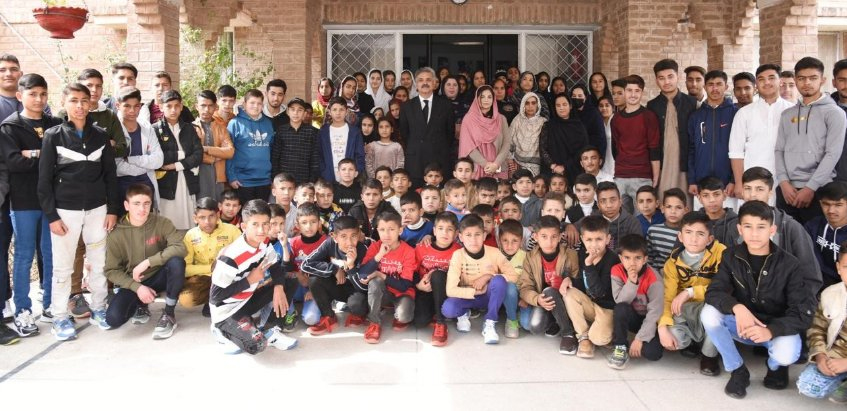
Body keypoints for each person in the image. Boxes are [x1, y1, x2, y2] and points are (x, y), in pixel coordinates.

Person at [701, 200, 817, 399]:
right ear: (740, 229)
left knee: (786, 354)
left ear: (772, 229)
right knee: (709, 314)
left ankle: (775, 366)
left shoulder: (790, 264)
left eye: (761, 227)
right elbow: (714, 291)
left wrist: (771, 330)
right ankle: (737, 370)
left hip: (776, 328)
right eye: (748, 226)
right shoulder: (730, 256)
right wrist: (737, 307)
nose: (754, 234)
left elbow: (802, 313)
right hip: (743, 323)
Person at [38, 83, 120, 341]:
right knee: (62, 267)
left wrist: (113, 210)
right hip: (65, 212)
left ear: (90, 103)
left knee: (99, 263)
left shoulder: (100, 135)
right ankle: (60, 316)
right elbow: (44, 181)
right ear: (64, 103)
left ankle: (99, 308)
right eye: (74, 100)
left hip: (98, 210)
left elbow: (110, 176)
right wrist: (52, 216)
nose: (80, 105)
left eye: (84, 100)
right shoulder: (53, 135)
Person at [0, 73, 61, 336]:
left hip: (52, 200)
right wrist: (45, 155)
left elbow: (62, 158)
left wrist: (33, 154)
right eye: (33, 94)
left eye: (43, 94)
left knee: (50, 253)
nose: (38, 99)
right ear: (20, 95)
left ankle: (49, 304)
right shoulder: (10, 127)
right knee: (24, 256)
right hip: (23, 200)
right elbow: (15, 163)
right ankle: (23, 310)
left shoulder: (55, 124)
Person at [209, 199, 298, 354]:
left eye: (265, 224)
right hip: (227, 311)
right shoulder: (231, 257)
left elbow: (275, 266)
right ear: (244, 227)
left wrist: (278, 287)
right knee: (257, 345)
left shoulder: (264, 243)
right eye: (255, 224)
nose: (261, 230)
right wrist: (249, 280)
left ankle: (270, 329)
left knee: (290, 280)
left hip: (247, 300)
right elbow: (215, 297)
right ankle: (221, 329)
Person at [104, 184, 186, 338]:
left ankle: (169, 313)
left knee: (176, 262)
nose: (142, 209)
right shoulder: (116, 234)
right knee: (113, 319)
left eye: (146, 203)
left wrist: (148, 262)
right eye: (136, 204)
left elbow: (180, 248)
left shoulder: (162, 223)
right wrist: (137, 287)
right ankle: (140, 304)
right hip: (134, 281)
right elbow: (111, 270)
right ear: (126, 205)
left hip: (160, 275)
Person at [776, 57, 847, 224]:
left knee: (813, 239)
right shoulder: (787, 114)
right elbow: (779, 150)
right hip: (787, 191)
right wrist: (784, 183)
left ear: (822, 80)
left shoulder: (835, 113)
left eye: (813, 78)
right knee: (786, 237)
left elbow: (833, 153)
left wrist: (810, 187)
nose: (807, 83)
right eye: (801, 78)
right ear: (795, 80)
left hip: (819, 189)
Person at [658, 212, 726, 375]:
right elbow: (668, 297)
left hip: (710, 303)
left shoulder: (720, 252)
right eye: (688, 233)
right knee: (674, 338)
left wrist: (690, 292)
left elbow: (724, 286)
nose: (693, 239)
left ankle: (709, 356)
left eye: (700, 234)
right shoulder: (673, 262)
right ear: (680, 237)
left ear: (709, 239)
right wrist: (662, 327)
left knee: (715, 315)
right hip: (685, 310)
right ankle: (693, 342)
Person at [443, 214, 518, 344]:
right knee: (448, 309)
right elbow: (450, 290)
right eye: (468, 235)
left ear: (484, 235)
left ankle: (489, 322)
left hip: (488, 296)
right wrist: (474, 291)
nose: (473, 240)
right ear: (461, 237)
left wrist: (489, 276)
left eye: (477, 234)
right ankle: (464, 313)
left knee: (499, 281)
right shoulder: (458, 255)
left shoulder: (494, 253)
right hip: (468, 296)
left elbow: (514, 276)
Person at [349, 211, 417, 344]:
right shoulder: (375, 247)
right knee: (375, 282)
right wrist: (379, 255)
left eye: (391, 229)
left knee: (404, 317)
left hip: (401, 294)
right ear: (377, 231)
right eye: (382, 230)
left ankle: (388, 308)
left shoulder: (408, 251)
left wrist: (380, 274)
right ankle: (374, 322)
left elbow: (404, 286)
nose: (386, 234)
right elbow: (362, 274)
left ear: (400, 230)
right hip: (382, 292)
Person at [728, 64, 794, 198]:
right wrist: (739, 183)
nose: (767, 82)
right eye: (761, 79)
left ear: (780, 81)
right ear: (756, 84)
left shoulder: (793, 110)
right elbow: (736, 152)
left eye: (771, 78)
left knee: (781, 211)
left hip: (786, 181)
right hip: (752, 181)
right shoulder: (744, 113)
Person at [562, 215, 620, 358]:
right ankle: (583, 337)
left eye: (599, 239)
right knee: (569, 293)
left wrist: (589, 265)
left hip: (607, 309)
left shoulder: (613, 260)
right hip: (591, 305)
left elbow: (599, 292)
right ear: (582, 239)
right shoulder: (582, 254)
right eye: (589, 240)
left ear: (608, 239)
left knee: (598, 339)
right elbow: (583, 283)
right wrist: (569, 279)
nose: (594, 245)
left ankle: (603, 333)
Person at [300, 215, 368, 335]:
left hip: (356, 291)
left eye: (353, 236)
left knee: (357, 305)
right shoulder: (329, 244)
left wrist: (351, 267)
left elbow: (365, 288)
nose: (349, 242)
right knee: (314, 280)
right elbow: (305, 264)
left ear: (358, 235)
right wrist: (334, 269)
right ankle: (329, 317)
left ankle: (358, 314)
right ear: (334, 237)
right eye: (343, 236)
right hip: (337, 287)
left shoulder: (363, 250)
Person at [518, 215, 579, 349]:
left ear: (560, 237)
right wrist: (537, 299)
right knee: (534, 327)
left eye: (554, 237)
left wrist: (565, 282)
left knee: (550, 291)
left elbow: (577, 284)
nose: (549, 242)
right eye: (544, 237)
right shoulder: (530, 257)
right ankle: (556, 321)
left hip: (565, 300)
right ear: (535, 237)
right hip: (544, 302)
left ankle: (568, 334)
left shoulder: (570, 255)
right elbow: (525, 286)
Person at [797, 243, 847, 401]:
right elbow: (816, 329)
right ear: (838, 268)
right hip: (835, 356)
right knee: (808, 386)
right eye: (846, 267)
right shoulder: (829, 294)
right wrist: (820, 356)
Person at [608, 234, 664, 369]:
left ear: (645, 259)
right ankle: (620, 346)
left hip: (650, 320)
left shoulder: (654, 278)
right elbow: (619, 301)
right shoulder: (616, 270)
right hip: (631, 315)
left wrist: (640, 339)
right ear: (621, 258)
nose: (632, 263)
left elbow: (655, 313)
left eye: (637, 258)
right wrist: (631, 283)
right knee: (621, 308)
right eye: (627, 258)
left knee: (653, 353)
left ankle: (637, 337)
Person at [647, 59, 697, 204]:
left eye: (670, 77)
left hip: (685, 165)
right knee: (663, 201)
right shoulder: (652, 106)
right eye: (661, 78)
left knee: (685, 203)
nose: (666, 82)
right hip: (662, 165)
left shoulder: (692, 103)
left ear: (678, 77)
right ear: (656, 80)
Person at [687, 70, 739, 209]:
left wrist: (734, 180)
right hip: (701, 184)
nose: (715, 88)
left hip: (727, 185)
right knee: (702, 219)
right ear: (705, 87)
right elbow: (691, 150)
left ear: (726, 86)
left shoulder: (736, 113)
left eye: (719, 84)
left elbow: (741, 150)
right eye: (710, 84)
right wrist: (692, 180)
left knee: (728, 219)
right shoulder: (696, 116)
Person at [181, 197, 241, 316]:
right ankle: (211, 300)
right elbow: (185, 269)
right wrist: (210, 268)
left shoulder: (232, 231)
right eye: (202, 217)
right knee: (186, 300)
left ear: (218, 215)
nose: (207, 222)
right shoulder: (190, 235)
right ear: (195, 218)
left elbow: (243, 256)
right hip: (205, 279)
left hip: (229, 277)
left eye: (211, 216)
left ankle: (224, 301)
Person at [153, 90, 203, 230]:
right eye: (169, 106)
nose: (173, 110)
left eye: (176, 106)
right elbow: (158, 157)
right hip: (166, 183)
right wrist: (182, 154)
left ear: (181, 107)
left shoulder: (189, 129)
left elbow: (198, 155)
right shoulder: (154, 130)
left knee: (189, 222)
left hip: (187, 180)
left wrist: (176, 165)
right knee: (167, 223)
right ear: (161, 107)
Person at [400, 67, 456, 187]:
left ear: (434, 83)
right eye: (421, 80)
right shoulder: (406, 107)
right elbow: (405, 134)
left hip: (439, 160)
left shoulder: (446, 105)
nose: (425, 83)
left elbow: (450, 134)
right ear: (416, 84)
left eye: (428, 80)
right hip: (416, 161)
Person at [612, 75, 661, 204]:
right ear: (624, 92)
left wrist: (655, 177)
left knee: (642, 214)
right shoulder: (616, 119)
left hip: (643, 176)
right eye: (629, 90)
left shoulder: (649, 116)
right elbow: (615, 148)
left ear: (642, 93)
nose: (633, 95)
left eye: (637, 91)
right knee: (620, 214)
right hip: (621, 175)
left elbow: (654, 148)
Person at [114, 87, 162, 207]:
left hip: (146, 185)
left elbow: (158, 160)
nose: (132, 110)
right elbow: (117, 166)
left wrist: (131, 159)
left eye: (136, 106)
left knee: (147, 217)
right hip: (121, 186)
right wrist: (147, 167)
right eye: (127, 106)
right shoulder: (113, 129)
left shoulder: (147, 128)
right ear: (117, 105)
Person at [226, 89, 275, 204]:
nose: (255, 106)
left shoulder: (268, 123)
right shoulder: (235, 123)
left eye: (259, 103)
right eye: (252, 103)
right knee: (246, 213)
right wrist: (231, 177)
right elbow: (229, 153)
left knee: (263, 213)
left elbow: (271, 149)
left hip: (264, 180)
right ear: (244, 104)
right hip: (243, 181)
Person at [459, 85, 511, 180]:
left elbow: (506, 143)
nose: (486, 100)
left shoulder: (501, 119)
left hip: (498, 168)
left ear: (493, 99)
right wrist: (485, 164)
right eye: (482, 97)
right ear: (477, 99)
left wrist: (496, 164)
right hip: (478, 167)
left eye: (489, 97)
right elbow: (468, 146)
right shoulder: (469, 119)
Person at [805, 181, 847, 289]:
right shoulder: (812, 226)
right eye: (826, 204)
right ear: (820, 203)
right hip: (817, 285)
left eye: (838, 205)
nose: (831, 210)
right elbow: (808, 261)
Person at [193, 90, 234, 202]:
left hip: (218, 175)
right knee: (201, 205)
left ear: (215, 107)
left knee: (217, 206)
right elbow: (194, 154)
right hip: (198, 174)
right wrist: (216, 158)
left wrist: (206, 149)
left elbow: (230, 152)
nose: (206, 109)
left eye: (210, 106)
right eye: (203, 105)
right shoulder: (191, 128)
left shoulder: (221, 128)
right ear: (196, 106)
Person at [271, 97, 320, 185]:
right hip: (284, 180)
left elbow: (315, 158)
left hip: (304, 181)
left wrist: (312, 181)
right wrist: (275, 178)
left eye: (300, 110)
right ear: (288, 112)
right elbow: (275, 157)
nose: (296, 113)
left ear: (304, 113)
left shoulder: (312, 132)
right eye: (292, 109)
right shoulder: (281, 131)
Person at [540, 94, 589, 182]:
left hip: (574, 171)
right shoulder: (549, 126)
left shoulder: (579, 126)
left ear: (570, 106)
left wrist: (565, 167)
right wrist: (553, 166)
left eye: (564, 104)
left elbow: (583, 150)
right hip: (552, 171)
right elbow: (543, 149)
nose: (561, 108)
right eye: (558, 105)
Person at [318, 96, 366, 183]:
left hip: (350, 179)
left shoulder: (354, 132)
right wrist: (324, 172)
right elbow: (319, 155)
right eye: (334, 109)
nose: (338, 113)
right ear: (329, 112)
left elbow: (360, 155)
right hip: (328, 177)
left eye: (341, 109)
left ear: (346, 111)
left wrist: (356, 171)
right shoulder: (323, 132)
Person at [646, 188, 689, 272]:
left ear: (685, 210)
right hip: (656, 274)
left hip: (681, 274)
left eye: (678, 207)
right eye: (669, 207)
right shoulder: (653, 231)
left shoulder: (689, 233)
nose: (673, 211)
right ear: (662, 209)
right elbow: (649, 258)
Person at [595, 182, 642, 251]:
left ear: (620, 202)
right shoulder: (591, 221)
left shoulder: (632, 222)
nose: (609, 205)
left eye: (613, 200)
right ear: (598, 205)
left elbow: (637, 249)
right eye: (603, 201)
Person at [509, 92, 546, 176]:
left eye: (533, 103)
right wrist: (510, 160)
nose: (530, 106)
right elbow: (509, 140)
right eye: (527, 103)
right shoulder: (517, 120)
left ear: (538, 105)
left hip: (536, 166)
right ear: (523, 105)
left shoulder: (543, 122)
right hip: (517, 163)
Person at [697, 177, 739, 247]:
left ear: (724, 195)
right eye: (706, 195)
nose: (712, 200)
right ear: (699, 198)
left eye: (716, 194)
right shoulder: (693, 221)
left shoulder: (736, 221)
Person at [569, 84, 608, 156]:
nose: (576, 98)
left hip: (590, 154)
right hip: (573, 154)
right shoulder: (570, 113)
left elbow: (600, 137)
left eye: (580, 96)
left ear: (586, 97)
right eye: (574, 96)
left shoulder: (594, 113)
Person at [597, 96, 616, 178]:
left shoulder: (617, 120)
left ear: (613, 107)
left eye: (607, 105)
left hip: (614, 157)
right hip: (602, 157)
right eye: (601, 106)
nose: (604, 108)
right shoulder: (597, 122)